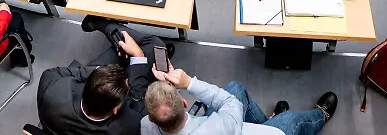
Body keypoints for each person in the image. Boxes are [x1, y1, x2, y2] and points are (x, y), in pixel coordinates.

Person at [38, 16, 166, 135]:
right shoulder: (130, 126)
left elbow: (52, 73)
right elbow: (140, 104)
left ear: (86, 85)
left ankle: (99, 24)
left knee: (126, 51)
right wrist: (138, 56)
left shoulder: (53, 93)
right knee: (154, 44)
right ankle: (103, 24)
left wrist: (98, 73)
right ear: (115, 109)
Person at [142, 63, 337, 135]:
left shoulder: (146, 126)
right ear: (185, 103)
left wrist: (163, 92)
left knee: (235, 88)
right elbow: (229, 103)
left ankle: (269, 120)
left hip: (211, 123)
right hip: (233, 129)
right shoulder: (219, 127)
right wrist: (188, 82)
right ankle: (320, 115)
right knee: (292, 122)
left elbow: (161, 110)